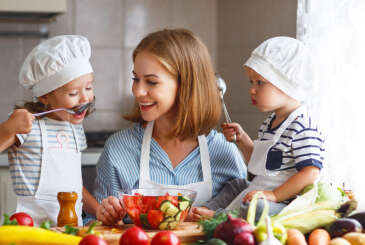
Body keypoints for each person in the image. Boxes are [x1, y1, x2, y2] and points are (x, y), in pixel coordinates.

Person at [88, 29, 247, 225]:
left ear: (186, 85)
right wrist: (106, 215)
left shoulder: (224, 152)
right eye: (136, 79)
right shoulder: (118, 150)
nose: (138, 91)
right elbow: (93, 226)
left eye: (151, 82)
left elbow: (240, 226)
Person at [0, 35, 99, 226]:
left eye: (88, 87)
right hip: (31, 232)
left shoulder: (74, 128)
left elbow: (74, 185)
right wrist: (8, 129)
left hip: (71, 230)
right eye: (73, 93)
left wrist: (98, 210)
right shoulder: (26, 126)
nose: (84, 98)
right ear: (45, 96)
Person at [191, 36, 325, 221]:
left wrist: (275, 195)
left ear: (286, 83)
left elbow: (311, 172)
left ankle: (218, 217)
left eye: (259, 82)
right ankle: (203, 211)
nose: (252, 90)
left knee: (259, 207)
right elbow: (261, 165)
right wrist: (243, 140)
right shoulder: (270, 122)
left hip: (284, 202)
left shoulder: (303, 125)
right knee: (237, 184)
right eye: (251, 82)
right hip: (264, 189)